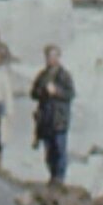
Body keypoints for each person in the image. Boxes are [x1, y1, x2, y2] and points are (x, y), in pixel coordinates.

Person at [31, 43, 76, 183]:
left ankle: (60, 178)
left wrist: (56, 92)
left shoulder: (64, 75)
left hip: (59, 119)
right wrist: (43, 92)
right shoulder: (42, 75)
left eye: (53, 56)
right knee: (48, 150)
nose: (50, 59)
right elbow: (33, 93)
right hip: (45, 119)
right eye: (48, 56)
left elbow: (71, 94)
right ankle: (52, 176)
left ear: (58, 57)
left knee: (60, 149)